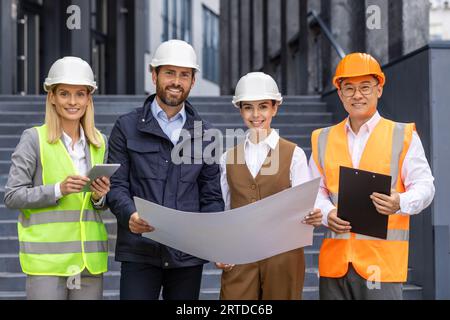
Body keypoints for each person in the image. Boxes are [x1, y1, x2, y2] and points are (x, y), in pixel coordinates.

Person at [310, 53, 435, 300]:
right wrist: (326, 213)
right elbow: (315, 190)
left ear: (379, 90)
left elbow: (425, 187)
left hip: (382, 264)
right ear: (340, 93)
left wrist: (399, 202)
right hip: (336, 264)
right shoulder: (321, 138)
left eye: (365, 87)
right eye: (349, 88)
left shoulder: (403, 135)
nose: (357, 95)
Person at [107, 39, 224, 300]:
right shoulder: (126, 127)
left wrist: (217, 240)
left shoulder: (205, 134)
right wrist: (131, 215)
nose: (176, 81)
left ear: (193, 81)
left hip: (187, 255)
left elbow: (211, 196)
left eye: (184, 75)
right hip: (140, 251)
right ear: (154, 75)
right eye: (169, 72)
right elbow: (117, 187)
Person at [3, 56, 111, 300]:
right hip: (48, 262)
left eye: (80, 94)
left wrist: (99, 197)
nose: (72, 102)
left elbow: (99, 207)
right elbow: (12, 196)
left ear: (88, 98)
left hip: (88, 262)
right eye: (64, 93)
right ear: (51, 97)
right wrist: (57, 190)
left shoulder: (99, 143)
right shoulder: (34, 139)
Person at [216, 72, 323, 300]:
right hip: (240, 257)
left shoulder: (293, 154)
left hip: (283, 256)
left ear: (275, 108)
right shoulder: (227, 157)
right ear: (240, 110)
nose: (256, 115)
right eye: (248, 108)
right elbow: (226, 210)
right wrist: (222, 248)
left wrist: (312, 215)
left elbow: (305, 208)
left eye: (263, 106)